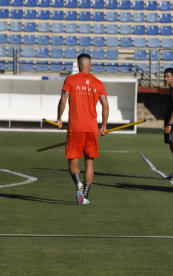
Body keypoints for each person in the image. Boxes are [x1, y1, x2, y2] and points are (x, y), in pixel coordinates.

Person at [57, 53, 109, 204]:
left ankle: (78, 183)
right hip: (92, 128)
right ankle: (85, 195)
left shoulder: (71, 79)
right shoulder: (98, 83)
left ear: (78, 65)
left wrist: (59, 119)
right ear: (90, 65)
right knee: (90, 161)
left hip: (75, 127)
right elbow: (105, 106)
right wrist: (104, 126)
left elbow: (63, 100)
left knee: (73, 160)